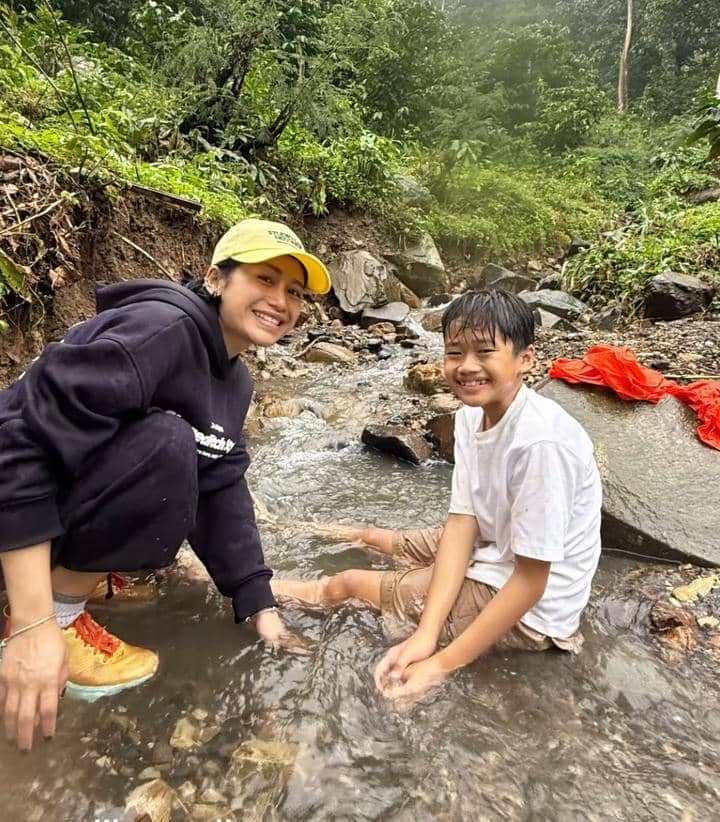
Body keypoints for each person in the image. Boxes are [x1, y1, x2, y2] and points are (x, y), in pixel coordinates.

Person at [0, 218, 331, 750]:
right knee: (170, 444)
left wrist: (258, 603)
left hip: (46, 512)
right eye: (265, 280)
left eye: (294, 292)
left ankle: (75, 588)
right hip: (13, 504)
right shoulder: (160, 330)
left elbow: (222, 486)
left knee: (189, 455)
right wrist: (35, 623)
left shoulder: (236, 377)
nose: (281, 301)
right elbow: (17, 443)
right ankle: (54, 615)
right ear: (217, 279)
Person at [272, 289, 602, 707]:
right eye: (454, 353)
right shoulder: (468, 418)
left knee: (346, 584)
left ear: (526, 359)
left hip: (533, 611)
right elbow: (463, 523)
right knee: (376, 538)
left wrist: (439, 662)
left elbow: (531, 581)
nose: (467, 367)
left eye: (485, 352)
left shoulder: (540, 443)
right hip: (490, 543)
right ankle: (288, 525)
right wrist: (426, 632)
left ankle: (236, 588)